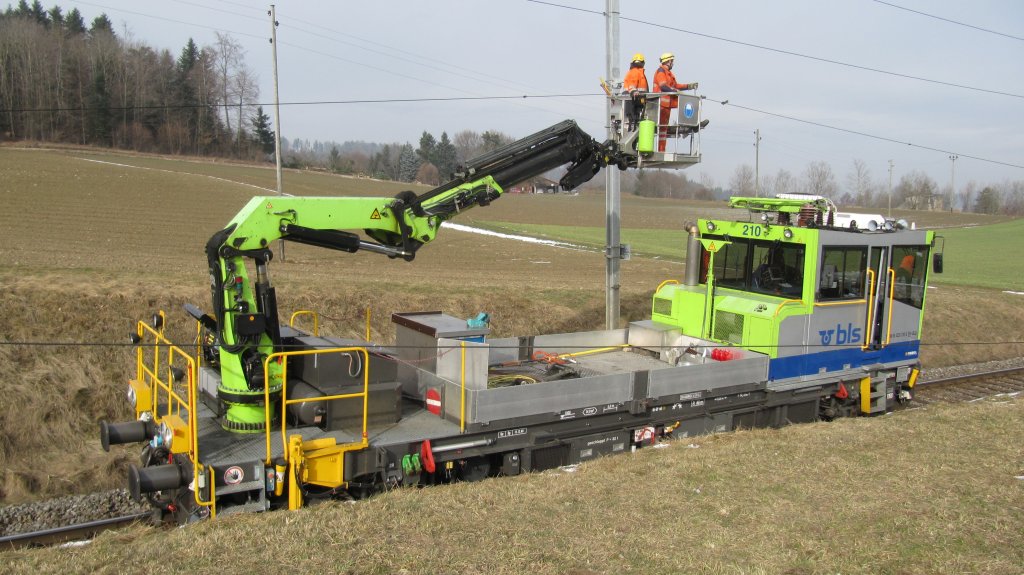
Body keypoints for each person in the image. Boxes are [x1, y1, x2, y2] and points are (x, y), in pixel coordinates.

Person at [652, 52, 707, 152]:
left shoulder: (668, 73)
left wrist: (688, 86)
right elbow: (663, 86)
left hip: (667, 103)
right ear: (668, 61)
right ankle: (661, 150)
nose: (673, 63)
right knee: (662, 128)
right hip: (661, 104)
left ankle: (693, 123)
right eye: (672, 61)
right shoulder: (661, 72)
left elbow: (675, 86)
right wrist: (675, 91)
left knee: (687, 105)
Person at [622, 53, 648, 130]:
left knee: (635, 119)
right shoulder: (635, 72)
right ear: (643, 63)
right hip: (633, 101)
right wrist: (633, 91)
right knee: (633, 122)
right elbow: (632, 85)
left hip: (636, 101)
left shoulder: (639, 72)